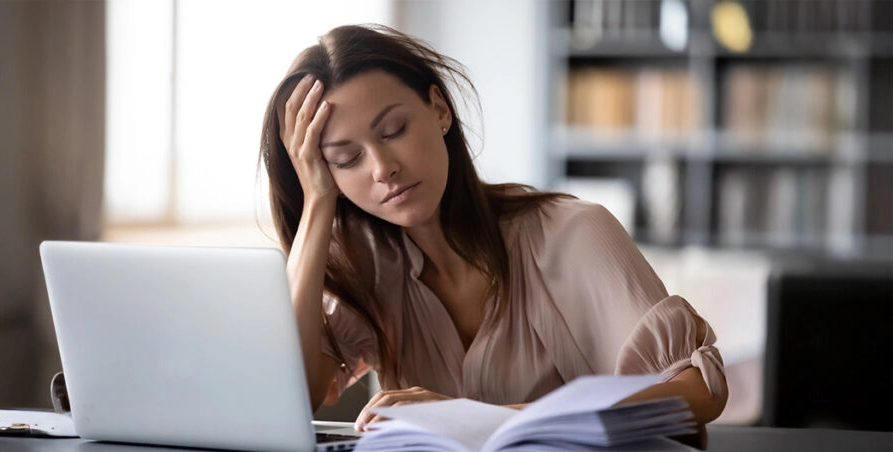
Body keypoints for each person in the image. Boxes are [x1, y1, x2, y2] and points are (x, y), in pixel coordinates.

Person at [259, 24, 727, 432]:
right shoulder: (370, 264)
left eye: (394, 130)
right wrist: (318, 202)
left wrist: (486, 419)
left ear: (440, 109)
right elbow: (292, 397)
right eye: (346, 159)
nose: (382, 169)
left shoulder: (573, 234)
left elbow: (700, 392)